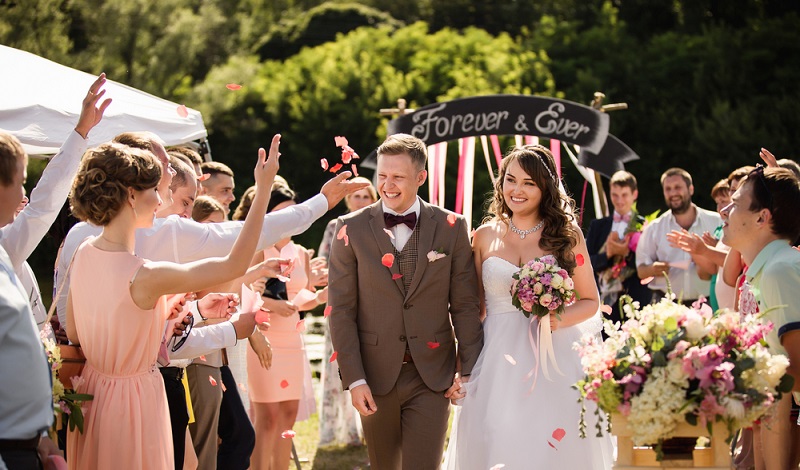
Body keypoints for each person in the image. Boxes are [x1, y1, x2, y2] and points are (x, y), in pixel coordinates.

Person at [64, 138, 278, 469]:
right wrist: (262, 191)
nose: (161, 199)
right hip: (134, 404)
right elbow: (234, 266)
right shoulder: (145, 275)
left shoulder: (83, 253)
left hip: (94, 398)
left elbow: (79, 332)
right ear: (132, 195)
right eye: (154, 189)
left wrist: (193, 312)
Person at [446, 144, 613, 469]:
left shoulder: (567, 235)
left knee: (551, 443)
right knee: (496, 434)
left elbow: (591, 301)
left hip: (554, 356)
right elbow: (475, 310)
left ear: (545, 187)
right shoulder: (483, 236)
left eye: (528, 183)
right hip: (495, 359)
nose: (516, 190)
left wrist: (554, 319)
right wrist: (460, 368)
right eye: (511, 180)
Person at [328, 133, 483, 469]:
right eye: (382, 176)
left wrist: (468, 370)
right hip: (374, 375)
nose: (388, 185)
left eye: (398, 176)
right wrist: (354, 379)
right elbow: (340, 311)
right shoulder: (349, 229)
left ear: (420, 177)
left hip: (433, 374)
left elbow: (465, 303)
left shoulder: (451, 227)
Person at [718, 165, 800, 469]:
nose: (724, 210)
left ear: (762, 217)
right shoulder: (770, 269)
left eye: (736, 203)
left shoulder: (780, 270)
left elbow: (796, 368)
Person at [244, 185, 325, 470]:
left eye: (293, 213)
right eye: (281, 213)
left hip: (292, 340)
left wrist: (320, 297)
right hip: (263, 339)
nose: (288, 219)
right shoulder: (255, 249)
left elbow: (299, 299)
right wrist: (269, 304)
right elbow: (241, 292)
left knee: (288, 414)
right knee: (266, 417)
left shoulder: (301, 253)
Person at [0, 131, 63, 470]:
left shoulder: (2, 250)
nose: (24, 194)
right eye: (22, 182)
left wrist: (39, 437)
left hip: (25, 443)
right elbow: (43, 207)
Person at [316, 177, 376, 447]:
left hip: (373, 306)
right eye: (356, 196)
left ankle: (369, 427)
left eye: (366, 196)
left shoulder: (379, 226)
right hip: (342, 303)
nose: (360, 200)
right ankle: (342, 430)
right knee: (341, 364)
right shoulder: (335, 226)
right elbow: (324, 265)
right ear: (347, 199)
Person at [636, 168, 721, 304]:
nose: (673, 193)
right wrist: (653, 269)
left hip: (707, 302)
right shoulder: (655, 228)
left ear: (691, 189)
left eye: (677, 187)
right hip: (665, 304)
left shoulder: (716, 221)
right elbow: (641, 270)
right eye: (668, 189)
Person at [585, 170, 651, 326]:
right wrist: (607, 255)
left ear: (634, 194)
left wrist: (626, 254)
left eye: (624, 195)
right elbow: (586, 264)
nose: (619, 200)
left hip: (635, 302)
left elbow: (648, 265)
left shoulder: (644, 225)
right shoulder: (598, 226)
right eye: (615, 195)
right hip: (602, 304)